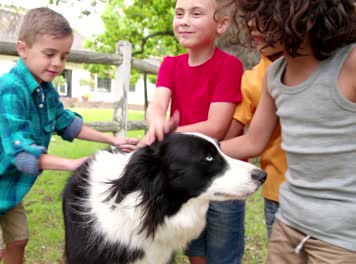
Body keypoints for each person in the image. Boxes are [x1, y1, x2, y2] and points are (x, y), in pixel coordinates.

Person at [0, 7, 138, 264]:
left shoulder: (45, 90)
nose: (58, 63)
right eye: (50, 54)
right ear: (22, 49)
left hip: (6, 181)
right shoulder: (9, 91)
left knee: (18, 240)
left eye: (64, 56)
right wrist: (71, 164)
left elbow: (67, 123)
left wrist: (112, 140)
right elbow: (22, 152)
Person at [221, 0, 356, 263]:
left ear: (304, 12)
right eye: (251, 14)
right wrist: (192, 145)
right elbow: (252, 142)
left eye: (266, 14)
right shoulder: (275, 76)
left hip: (341, 237)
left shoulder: (349, 64)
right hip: (288, 225)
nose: (251, 23)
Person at [140, 0, 244, 263]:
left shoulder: (228, 66)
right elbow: (157, 106)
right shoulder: (170, 65)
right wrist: (156, 124)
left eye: (196, 13)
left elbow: (216, 126)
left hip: (222, 176)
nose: (184, 20)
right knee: (194, 251)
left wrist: (168, 136)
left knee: (222, 253)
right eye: (179, 13)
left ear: (221, 24)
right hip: (187, 178)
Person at [223, 22, 285, 239]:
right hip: (279, 194)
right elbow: (245, 140)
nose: (252, 27)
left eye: (267, 19)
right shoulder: (253, 79)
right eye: (252, 18)